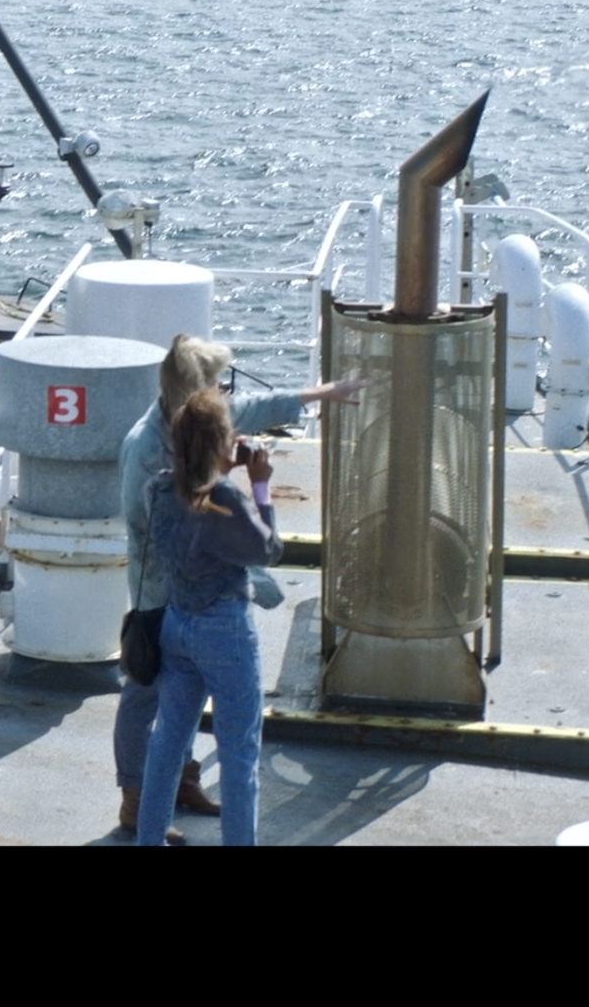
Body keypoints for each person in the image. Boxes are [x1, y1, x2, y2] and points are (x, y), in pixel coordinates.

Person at [114, 335, 365, 840]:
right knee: (214, 737)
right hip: (179, 605)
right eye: (216, 385)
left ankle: (167, 803)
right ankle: (134, 799)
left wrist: (321, 393)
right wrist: (253, 488)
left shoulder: (167, 476)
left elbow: (168, 513)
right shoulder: (160, 459)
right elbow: (266, 548)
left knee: (170, 733)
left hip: (180, 610)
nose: (226, 395)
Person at [135, 389, 281, 847]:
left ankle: (148, 840)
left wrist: (217, 466)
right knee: (239, 755)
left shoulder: (157, 489)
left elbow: (193, 506)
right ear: (222, 442)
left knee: (167, 744)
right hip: (225, 633)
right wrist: (260, 486)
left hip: (177, 625)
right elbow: (268, 549)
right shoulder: (225, 500)